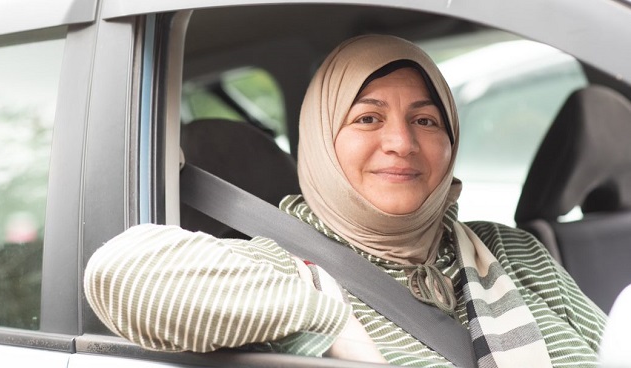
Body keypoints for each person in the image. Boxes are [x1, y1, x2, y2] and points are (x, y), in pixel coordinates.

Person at [83, 35, 606, 367]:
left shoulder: (511, 250)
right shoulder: (279, 266)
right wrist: (328, 312)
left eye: (426, 120)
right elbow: (118, 274)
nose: (402, 142)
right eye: (367, 118)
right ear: (319, 141)